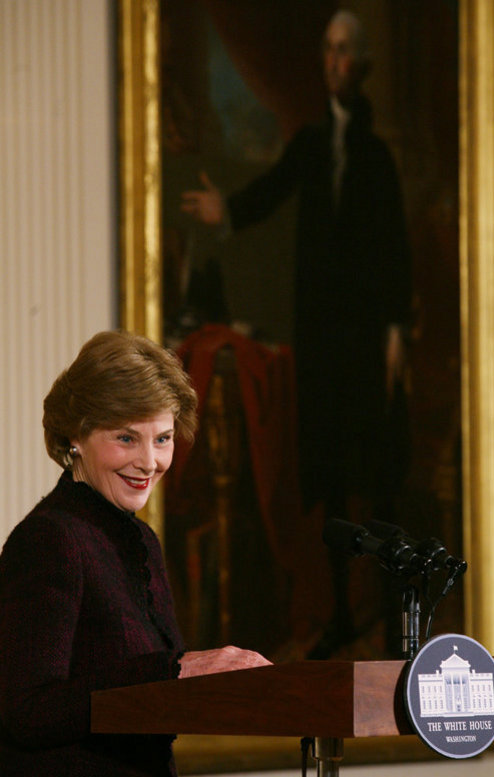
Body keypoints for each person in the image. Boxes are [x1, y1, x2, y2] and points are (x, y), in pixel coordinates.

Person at [181, 10, 412, 656]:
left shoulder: (375, 155)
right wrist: (225, 209)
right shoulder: (310, 143)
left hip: (368, 342)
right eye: (329, 51)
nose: (337, 63)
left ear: (361, 66)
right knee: (330, 474)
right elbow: (271, 190)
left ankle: (396, 620)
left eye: (347, 53)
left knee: (380, 473)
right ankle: (340, 609)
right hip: (322, 340)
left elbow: (394, 248)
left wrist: (395, 328)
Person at [0, 330, 270, 776]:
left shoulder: (143, 542)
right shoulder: (50, 539)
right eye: (127, 438)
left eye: (162, 439)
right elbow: (27, 712)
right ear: (76, 436)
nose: (149, 461)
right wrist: (176, 668)